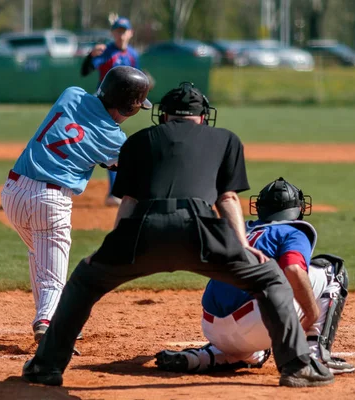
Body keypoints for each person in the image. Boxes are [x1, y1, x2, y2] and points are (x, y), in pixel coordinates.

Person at [21, 82, 335, 389]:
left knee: (83, 282)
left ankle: (46, 366)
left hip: (143, 229)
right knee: (268, 279)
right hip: (201, 230)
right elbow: (226, 200)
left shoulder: (138, 141)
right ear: (202, 116)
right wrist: (242, 245)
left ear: (165, 116)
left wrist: (109, 249)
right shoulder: (226, 140)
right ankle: (297, 366)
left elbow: (128, 202)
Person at [1, 66, 151, 345]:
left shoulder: (71, 95)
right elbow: (127, 167)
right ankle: (49, 324)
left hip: (12, 192)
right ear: (128, 108)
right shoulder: (116, 140)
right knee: (54, 278)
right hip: (50, 201)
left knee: (40, 256)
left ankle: (54, 317)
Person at [154, 177, 354, 375]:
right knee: (332, 269)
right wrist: (311, 314)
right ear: (298, 209)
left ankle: (201, 357)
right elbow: (293, 270)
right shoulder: (292, 230)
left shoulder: (239, 232)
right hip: (258, 324)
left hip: (212, 327)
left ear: (259, 207)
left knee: (255, 350)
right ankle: (316, 355)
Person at [80, 16, 141, 207]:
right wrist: (90, 56)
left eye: (124, 31)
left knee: (108, 145)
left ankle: (114, 192)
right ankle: (114, 194)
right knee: (111, 146)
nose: (121, 34)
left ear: (130, 33)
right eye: (118, 31)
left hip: (120, 106)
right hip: (103, 103)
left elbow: (136, 78)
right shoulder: (106, 52)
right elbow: (85, 71)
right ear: (113, 33)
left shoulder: (133, 54)